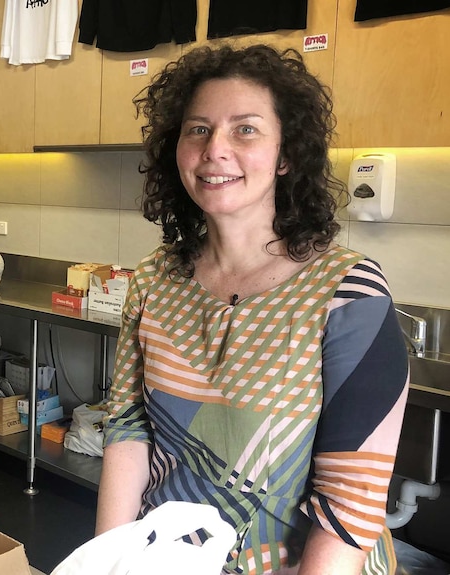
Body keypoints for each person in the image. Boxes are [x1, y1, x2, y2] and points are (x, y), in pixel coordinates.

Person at [96, 44, 409, 574]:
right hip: (169, 559)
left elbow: (352, 501)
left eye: (245, 129)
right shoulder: (153, 278)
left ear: (286, 155)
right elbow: (128, 433)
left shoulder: (350, 291)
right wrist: (104, 563)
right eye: (198, 129)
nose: (214, 149)